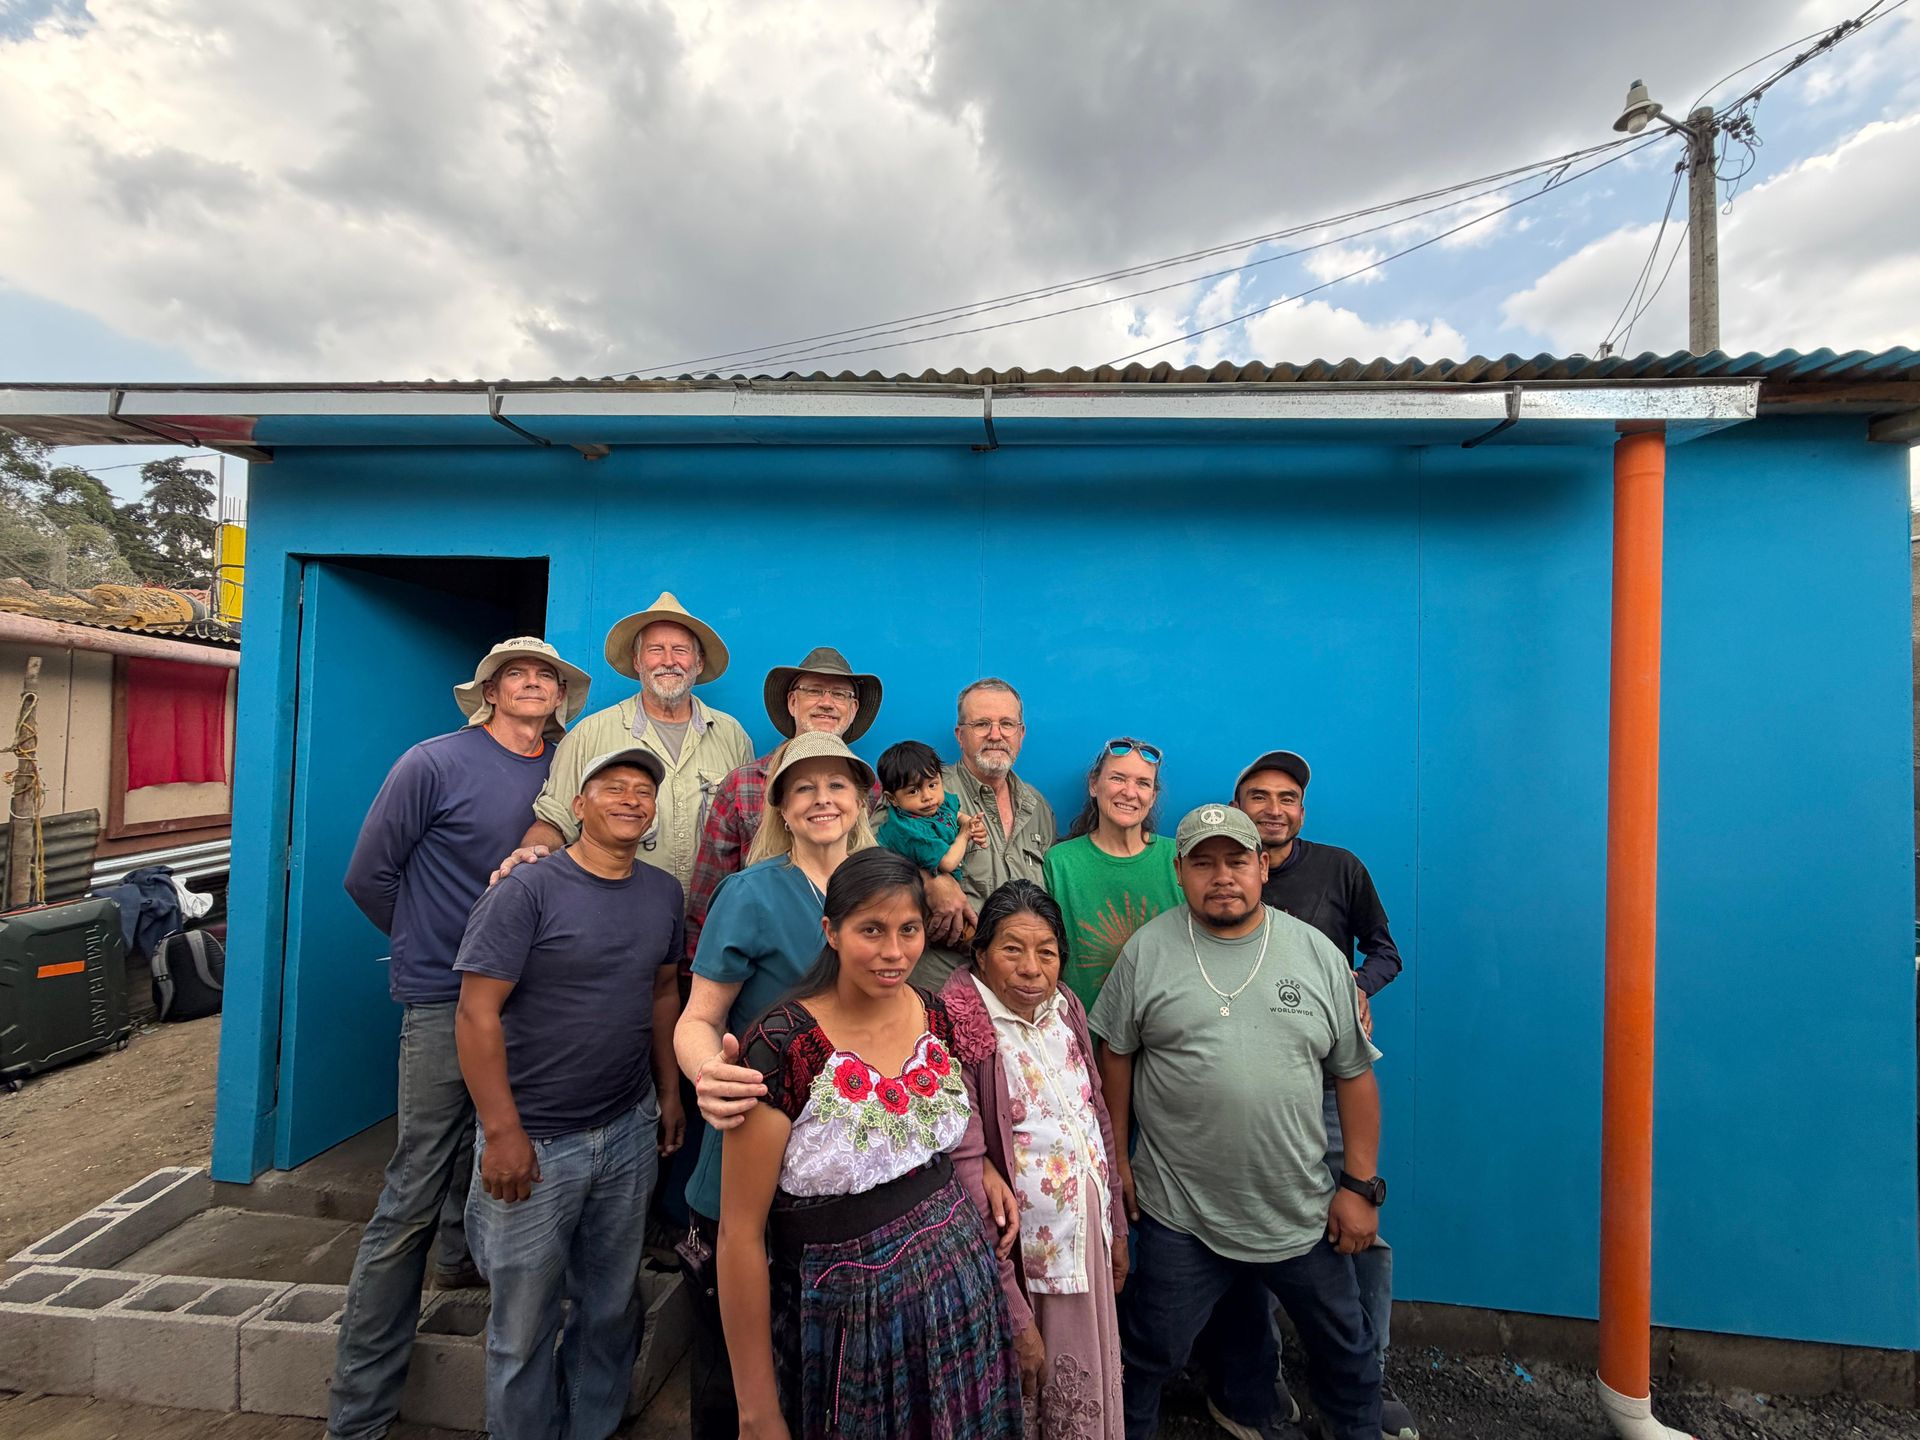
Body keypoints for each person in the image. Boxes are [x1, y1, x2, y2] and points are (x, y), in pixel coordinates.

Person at [328, 636, 588, 1440]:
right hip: (446, 997)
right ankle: (359, 1408)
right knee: (416, 1180)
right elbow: (369, 874)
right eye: (518, 673)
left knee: (507, 1152)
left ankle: (458, 1262)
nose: (534, 684)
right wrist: (431, 945)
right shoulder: (432, 763)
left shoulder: (566, 774)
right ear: (490, 689)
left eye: (547, 675)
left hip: (534, 1004)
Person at [1090, 804, 1386, 1440]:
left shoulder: (1315, 953)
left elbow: (1356, 1076)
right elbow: (1115, 1055)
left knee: (1348, 1355)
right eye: (1203, 862)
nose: (1221, 876)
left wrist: (1360, 1189)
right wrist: (1116, 1158)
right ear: (1180, 872)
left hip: (1299, 1209)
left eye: (1235, 860)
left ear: (1262, 866)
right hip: (1180, 1214)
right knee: (1147, 1357)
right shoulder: (1147, 951)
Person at [719, 848, 1025, 1439]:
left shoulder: (933, 1015)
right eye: (871, 930)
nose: (893, 952)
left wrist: (982, 1165)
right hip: (847, 1324)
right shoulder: (785, 1046)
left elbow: (928, 1135)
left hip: (960, 1295)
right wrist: (755, 1410)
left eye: (909, 929)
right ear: (830, 931)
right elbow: (739, 1234)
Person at [453, 745, 686, 1440]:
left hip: (626, 1128)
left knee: (610, 1307)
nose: (629, 799)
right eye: (612, 787)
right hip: (536, 1140)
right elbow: (474, 1013)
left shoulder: (662, 892)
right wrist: (501, 1133)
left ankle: (592, 1426)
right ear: (577, 806)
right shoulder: (526, 890)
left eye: (643, 791)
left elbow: (663, 991)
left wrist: (668, 1094)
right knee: (522, 1326)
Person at [672, 731, 882, 1440]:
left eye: (837, 786)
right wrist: (709, 1072)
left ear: (859, 801)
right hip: (753, 1167)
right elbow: (698, 1018)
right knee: (735, 1391)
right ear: (782, 809)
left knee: (825, 1384)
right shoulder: (750, 894)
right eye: (805, 789)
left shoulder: (884, 884)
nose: (823, 800)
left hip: (848, 1180)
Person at [1227, 749, 1418, 1440]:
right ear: (1238, 804)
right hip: (1242, 1085)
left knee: (1353, 1223)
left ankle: (1363, 1376)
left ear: (1301, 810)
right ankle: (1261, 1381)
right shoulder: (1216, 870)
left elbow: (1385, 951)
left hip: (1327, 1082)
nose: (1274, 808)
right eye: (1259, 795)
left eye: (1287, 798)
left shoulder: (1340, 868)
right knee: (1242, 1231)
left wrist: (1355, 991)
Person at [943, 879, 1129, 1439]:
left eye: (1046, 952)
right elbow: (966, 1164)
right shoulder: (960, 1026)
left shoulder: (1066, 1006)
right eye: (1011, 949)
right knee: (1029, 1384)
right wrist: (1014, 1311)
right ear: (980, 954)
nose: (1031, 968)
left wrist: (1115, 1223)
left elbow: (1095, 1112)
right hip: (1025, 1264)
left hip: (1084, 1240)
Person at [504, 591, 752, 898]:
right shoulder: (590, 733)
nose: (669, 661)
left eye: (680, 650)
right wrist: (530, 856)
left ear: (699, 663)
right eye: (655, 650)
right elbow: (555, 823)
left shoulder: (732, 735)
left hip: (712, 918)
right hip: (618, 914)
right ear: (637, 661)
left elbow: (747, 832)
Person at [685, 646, 883, 962]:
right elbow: (707, 895)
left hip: (848, 962)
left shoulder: (871, 789)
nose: (827, 703)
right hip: (759, 958)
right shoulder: (743, 784)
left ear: (853, 708)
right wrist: (698, 977)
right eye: (814, 691)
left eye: (840, 695)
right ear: (792, 702)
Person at [921, 678, 1058, 991]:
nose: (996, 735)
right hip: (941, 990)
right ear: (960, 735)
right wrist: (931, 881)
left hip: (1018, 996)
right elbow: (875, 863)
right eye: (982, 724)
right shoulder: (926, 792)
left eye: (1007, 724)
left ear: (1021, 734)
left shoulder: (1038, 808)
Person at [1040, 738, 1180, 1012]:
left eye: (1143, 783)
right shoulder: (1060, 863)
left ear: (1152, 796)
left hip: (1165, 1038)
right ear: (1094, 784)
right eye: (1118, 778)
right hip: (1084, 1037)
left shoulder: (1177, 857)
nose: (1130, 792)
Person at [875, 738, 987, 890]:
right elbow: (948, 862)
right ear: (892, 798)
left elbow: (955, 814)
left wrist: (970, 823)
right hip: (915, 895)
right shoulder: (908, 831)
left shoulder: (935, 804)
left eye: (933, 785)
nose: (927, 796)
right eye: (913, 791)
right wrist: (965, 834)